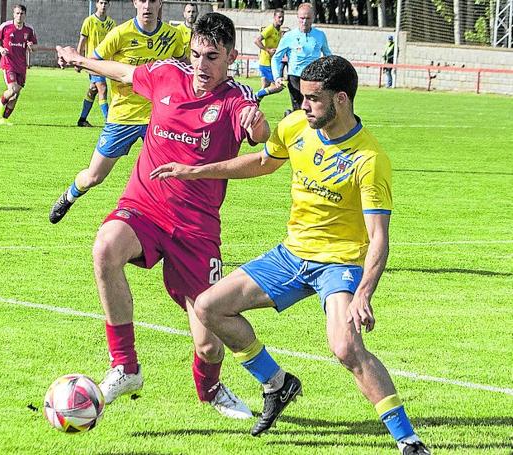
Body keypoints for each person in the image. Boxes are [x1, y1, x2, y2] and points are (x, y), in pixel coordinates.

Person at [150, 55, 431, 454]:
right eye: (302, 96)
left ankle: (408, 440)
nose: (303, 105)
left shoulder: (369, 160)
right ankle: (277, 383)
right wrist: (194, 171)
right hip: (291, 254)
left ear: (342, 100)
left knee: (346, 347)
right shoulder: (296, 126)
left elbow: (378, 238)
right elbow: (264, 161)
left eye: (314, 99)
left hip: (338, 264)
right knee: (209, 307)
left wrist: (364, 292)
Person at [55, 12, 270, 419]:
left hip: (196, 228)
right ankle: (125, 366)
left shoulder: (236, 98)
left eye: (212, 57)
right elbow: (122, 70)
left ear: (231, 57)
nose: (201, 67)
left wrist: (257, 124)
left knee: (209, 343)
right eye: (196, 56)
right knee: (105, 247)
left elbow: (260, 135)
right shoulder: (168, 75)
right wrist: (80, 60)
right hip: (146, 206)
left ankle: (210, 390)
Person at [49, 0, 186, 224]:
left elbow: (184, 65)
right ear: (135, 3)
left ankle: (172, 231)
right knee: (94, 177)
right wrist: (72, 60)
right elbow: (92, 63)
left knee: (172, 177)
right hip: (123, 116)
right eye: (142, 0)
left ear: (160, 3)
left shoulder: (173, 36)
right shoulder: (119, 34)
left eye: (153, 0)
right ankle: (70, 195)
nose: (147, 6)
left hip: (159, 117)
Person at [271, 2, 331, 115]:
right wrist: (277, 77)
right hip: (295, 77)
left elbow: (328, 56)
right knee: (300, 110)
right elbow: (276, 58)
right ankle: (291, 117)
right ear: (297, 18)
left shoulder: (320, 35)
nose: (304, 21)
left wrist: (330, 73)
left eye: (308, 18)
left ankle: (289, 116)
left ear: (313, 18)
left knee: (313, 110)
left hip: (313, 78)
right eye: (302, 18)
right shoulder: (289, 36)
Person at [0, 4, 37, 126]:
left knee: (16, 95)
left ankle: (4, 118)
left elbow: (34, 47)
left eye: (21, 14)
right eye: (17, 13)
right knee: (12, 90)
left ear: (25, 15)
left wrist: (31, 47)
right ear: (13, 14)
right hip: (8, 64)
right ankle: (0, 102)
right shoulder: (6, 26)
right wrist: (1, 49)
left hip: (21, 66)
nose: (19, 16)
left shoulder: (29, 30)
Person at [76, 0, 116, 127]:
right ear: (97, 4)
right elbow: (82, 41)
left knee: (93, 89)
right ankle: (109, 121)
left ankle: (82, 120)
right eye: (101, 3)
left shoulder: (111, 23)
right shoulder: (89, 21)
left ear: (109, 5)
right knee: (102, 89)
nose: (103, 5)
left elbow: (114, 43)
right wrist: (78, 60)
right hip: (93, 62)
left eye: (106, 3)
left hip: (105, 63)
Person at [254, 9, 285, 100]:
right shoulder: (270, 29)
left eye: (283, 17)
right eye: (279, 17)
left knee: (265, 87)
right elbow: (256, 40)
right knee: (279, 86)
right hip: (266, 63)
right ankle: (255, 95)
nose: (281, 19)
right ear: (274, 18)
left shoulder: (279, 31)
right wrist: (267, 50)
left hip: (271, 62)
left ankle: (254, 106)